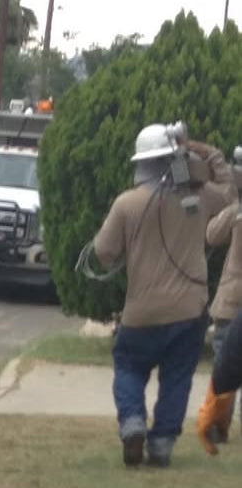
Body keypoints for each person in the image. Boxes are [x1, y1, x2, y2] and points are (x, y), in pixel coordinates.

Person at [91, 124, 235, 468]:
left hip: (141, 312)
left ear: (142, 163)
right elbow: (231, 192)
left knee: (128, 366)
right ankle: (162, 445)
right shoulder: (199, 199)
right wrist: (205, 150)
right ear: (177, 158)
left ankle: (132, 423)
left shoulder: (127, 203)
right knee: (177, 377)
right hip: (189, 311)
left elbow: (103, 253)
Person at [195, 151, 242, 454]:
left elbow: (211, 235)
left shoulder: (238, 212)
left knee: (227, 364)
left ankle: (217, 425)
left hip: (233, 300)